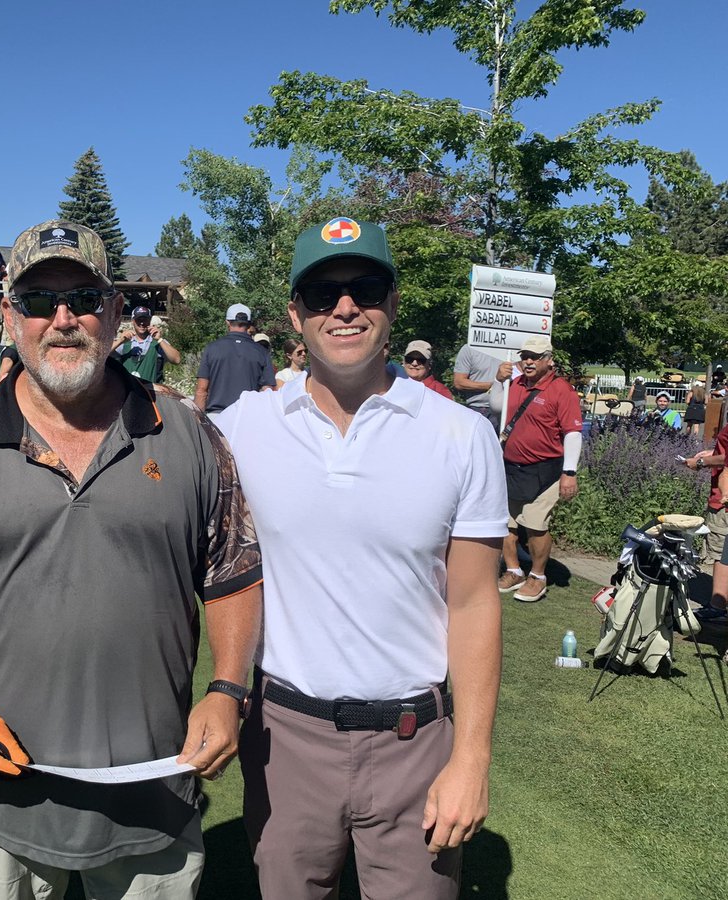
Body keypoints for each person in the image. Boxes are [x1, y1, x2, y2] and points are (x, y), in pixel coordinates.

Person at [0, 218, 262, 900]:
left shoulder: (189, 432)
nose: (62, 319)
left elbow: (233, 574)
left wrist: (228, 690)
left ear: (114, 311)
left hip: (154, 796)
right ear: (8, 315)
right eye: (38, 300)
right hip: (1, 795)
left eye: (83, 299)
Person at [217, 216, 504, 899]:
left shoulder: (462, 436)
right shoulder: (241, 428)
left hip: (416, 741)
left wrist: (472, 756)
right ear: (295, 315)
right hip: (284, 738)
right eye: (322, 294)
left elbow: (472, 603)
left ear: (393, 303)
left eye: (365, 287)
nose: (344, 307)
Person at [492, 335, 583, 603]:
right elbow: (496, 407)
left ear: (548, 360)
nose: (528, 361)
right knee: (505, 523)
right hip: (510, 467)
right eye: (525, 356)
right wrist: (499, 381)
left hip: (545, 470)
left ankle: (538, 576)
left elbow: (573, 433)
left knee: (535, 525)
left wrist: (569, 472)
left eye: (535, 357)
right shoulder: (514, 384)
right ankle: (513, 570)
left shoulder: (561, 390)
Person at [194, 303, 276, 419]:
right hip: (247, 416)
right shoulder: (261, 352)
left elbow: (201, 390)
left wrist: (199, 421)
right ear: (248, 323)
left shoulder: (212, 348)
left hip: (217, 416)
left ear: (227, 322)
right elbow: (267, 391)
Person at [112, 305, 180, 383]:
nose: (142, 323)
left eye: (145, 319)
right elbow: (101, 356)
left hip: (151, 392)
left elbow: (176, 360)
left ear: (150, 321)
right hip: (129, 392)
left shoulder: (157, 343)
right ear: (133, 321)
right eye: (138, 320)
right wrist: (120, 341)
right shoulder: (125, 343)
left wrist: (160, 339)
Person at [452, 343, 503, 429]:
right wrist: (493, 386)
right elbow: (459, 382)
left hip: (506, 410)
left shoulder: (509, 349)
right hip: (478, 410)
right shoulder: (469, 348)